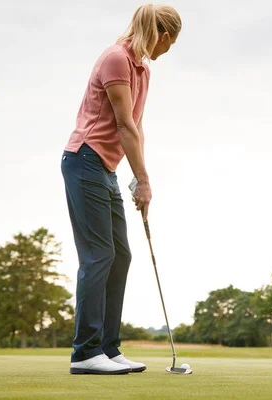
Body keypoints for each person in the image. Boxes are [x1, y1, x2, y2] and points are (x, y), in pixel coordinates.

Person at [60, 4, 181, 375]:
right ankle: (85, 353)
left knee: (121, 255)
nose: (168, 50)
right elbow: (123, 124)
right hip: (84, 160)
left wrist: (139, 178)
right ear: (162, 36)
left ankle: (108, 349)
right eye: (171, 42)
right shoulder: (116, 59)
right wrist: (143, 181)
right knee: (99, 255)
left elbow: (137, 129)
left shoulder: (142, 69)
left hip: (107, 169)